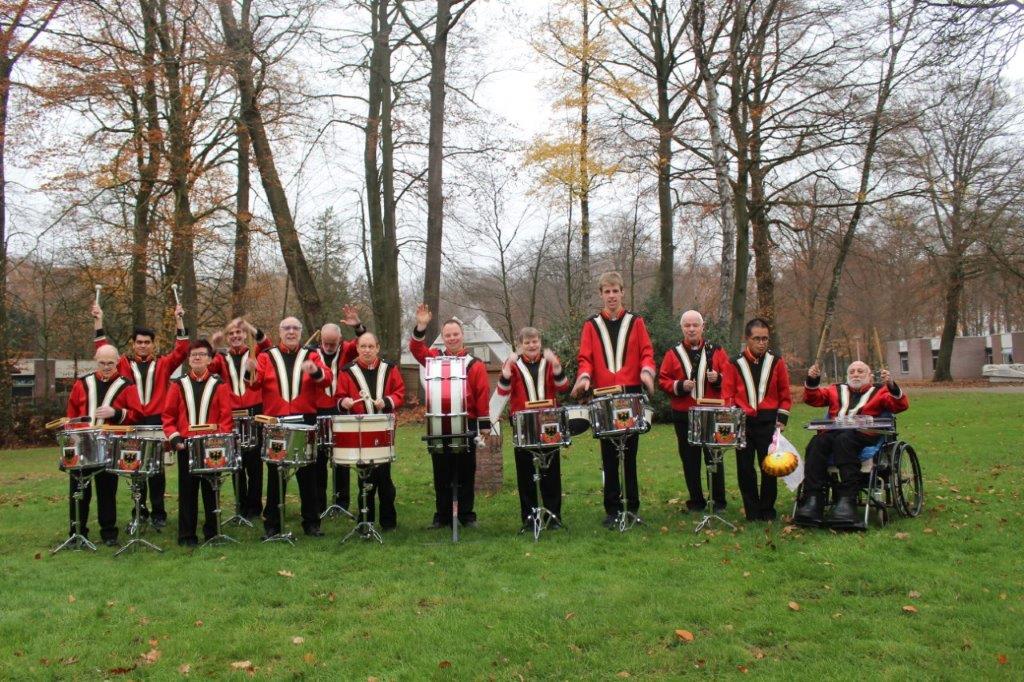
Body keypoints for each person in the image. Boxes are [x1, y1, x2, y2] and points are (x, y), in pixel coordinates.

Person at [570, 272, 656, 528]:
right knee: (609, 455)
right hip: (603, 396)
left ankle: (631, 506)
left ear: (622, 292)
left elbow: (647, 353)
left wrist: (646, 372)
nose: (611, 296)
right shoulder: (591, 325)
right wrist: (584, 378)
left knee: (629, 455)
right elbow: (585, 358)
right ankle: (611, 509)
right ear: (601, 294)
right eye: (606, 292)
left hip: (630, 393)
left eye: (615, 291)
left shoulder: (636, 322)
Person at [93, 301, 189, 528]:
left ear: (153, 344)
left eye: (147, 342)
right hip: (133, 422)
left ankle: (159, 512)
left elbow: (182, 350)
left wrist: (179, 320)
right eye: (139, 342)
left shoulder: (164, 363)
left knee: (156, 470)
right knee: (136, 467)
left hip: (157, 422)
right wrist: (98, 321)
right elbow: (103, 351)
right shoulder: (124, 364)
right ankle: (140, 510)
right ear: (133, 344)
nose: (143, 346)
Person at [794, 360, 909, 529]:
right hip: (834, 432)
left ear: (870, 376)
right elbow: (813, 399)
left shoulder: (880, 391)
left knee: (844, 441)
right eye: (852, 371)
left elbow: (900, 405)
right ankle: (813, 498)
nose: (855, 374)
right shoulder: (835, 390)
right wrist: (812, 380)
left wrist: (891, 385)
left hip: (865, 434)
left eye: (861, 371)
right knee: (816, 443)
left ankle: (847, 500)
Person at [245, 316, 332, 538]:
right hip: (277, 421)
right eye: (287, 328)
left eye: (295, 328)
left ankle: (311, 523)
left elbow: (327, 380)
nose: (291, 332)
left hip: (305, 419)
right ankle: (272, 524)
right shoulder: (266, 356)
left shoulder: (312, 355)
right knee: (276, 474)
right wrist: (249, 369)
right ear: (280, 331)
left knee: (308, 473)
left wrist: (314, 371)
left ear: (300, 332)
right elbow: (253, 384)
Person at [409, 304, 492, 529]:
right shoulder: (435, 358)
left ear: (462, 336)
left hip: (468, 421)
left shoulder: (474, 364)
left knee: (466, 470)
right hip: (439, 422)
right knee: (441, 471)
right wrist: (421, 325)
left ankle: (466, 515)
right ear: (443, 338)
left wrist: (484, 424)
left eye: (456, 334)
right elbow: (416, 350)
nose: (452, 338)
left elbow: (482, 394)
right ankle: (443, 515)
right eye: (448, 335)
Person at [64, 344, 141, 546]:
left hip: (109, 445)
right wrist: (71, 431)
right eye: (102, 363)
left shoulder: (126, 385)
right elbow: (72, 413)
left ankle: (109, 533)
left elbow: (136, 415)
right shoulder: (82, 383)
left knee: (107, 491)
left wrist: (115, 413)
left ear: (117, 362)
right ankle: (77, 532)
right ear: (95, 360)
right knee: (79, 491)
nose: (106, 367)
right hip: (82, 445)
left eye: (110, 363)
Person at [161, 339, 234, 546]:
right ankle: (186, 535)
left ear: (210, 359)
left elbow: (225, 418)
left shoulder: (220, 385)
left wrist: (217, 440)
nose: (197, 357)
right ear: (189, 359)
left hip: (211, 446)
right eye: (193, 354)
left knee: (212, 491)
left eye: (202, 354)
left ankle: (212, 533)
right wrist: (175, 438)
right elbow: (168, 416)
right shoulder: (177, 385)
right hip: (186, 445)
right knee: (187, 492)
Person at [496, 327, 570, 531]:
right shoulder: (513, 363)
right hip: (523, 423)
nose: (531, 345)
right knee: (526, 471)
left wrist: (556, 367)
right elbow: (502, 391)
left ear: (540, 342)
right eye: (527, 343)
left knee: (551, 471)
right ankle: (529, 517)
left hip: (549, 422)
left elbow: (563, 387)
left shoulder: (550, 362)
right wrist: (505, 373)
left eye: (535, 341)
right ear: (520, 345)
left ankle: (553, 516)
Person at [657, 310, 731, 513]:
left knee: (714, 457)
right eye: (687, 325)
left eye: (695, 325)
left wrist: (719, 379)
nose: (691, 329)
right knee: (689, 459)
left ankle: (718, 501)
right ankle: (696, 501)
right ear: (682, 328)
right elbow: (663, 380)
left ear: (702, 327)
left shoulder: (717, 351)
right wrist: (680, 385)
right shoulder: (673, 353)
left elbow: (733, 378)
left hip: (712, 412)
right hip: (684, 413)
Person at [722, 318, 792, 522]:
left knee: (769, 467)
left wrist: (781, 419)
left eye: (765, 339)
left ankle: (767, 510)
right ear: (747, 339)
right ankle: (752, 512)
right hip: (742, 421)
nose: (761, 343)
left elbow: (784, 394)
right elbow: (728, 394)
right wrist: (733, 415)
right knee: (745, 469)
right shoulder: (734, 363)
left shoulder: (776, 362)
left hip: (768, 421)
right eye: (757, 339)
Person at [336, 332, 405, 530]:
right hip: (360, 431)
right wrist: (345, 402)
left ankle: (388, 521)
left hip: (383, 428)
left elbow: (399, 392)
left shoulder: (390, 368)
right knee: (364, 478)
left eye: (370, 346)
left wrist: (388, 400)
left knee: (384, 477)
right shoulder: (347, 371)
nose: (367, 350)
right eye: (363, 346)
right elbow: (339, 397)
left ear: (377, 348)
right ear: (357, 348)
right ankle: (365, 522)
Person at [208, 317, 272, 520]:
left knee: (254, 463)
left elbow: (266, 343)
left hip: (254, 411)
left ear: (244, 335)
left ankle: (254, 507)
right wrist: (213, 344)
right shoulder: (221, 358)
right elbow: (205, 368)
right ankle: (241, 505)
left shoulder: (256, 353)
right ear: (227, 338)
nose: (235, 336)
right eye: (231, 334)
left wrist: (250, 327)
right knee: (237, 462)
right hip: (232, 414)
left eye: (239, 333)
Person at [312, 306, 367, 518]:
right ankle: (318, 504)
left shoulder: (346, 349)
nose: (328, 347)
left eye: (332, 343)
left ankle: (341, 502)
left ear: (340, 339)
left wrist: (358, 326)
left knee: (341, 458)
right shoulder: (312, 354)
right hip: (317, 411)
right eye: (325, 343)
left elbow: (363, 343)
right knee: (318, 460)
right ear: (320, 340)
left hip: (341, 410)